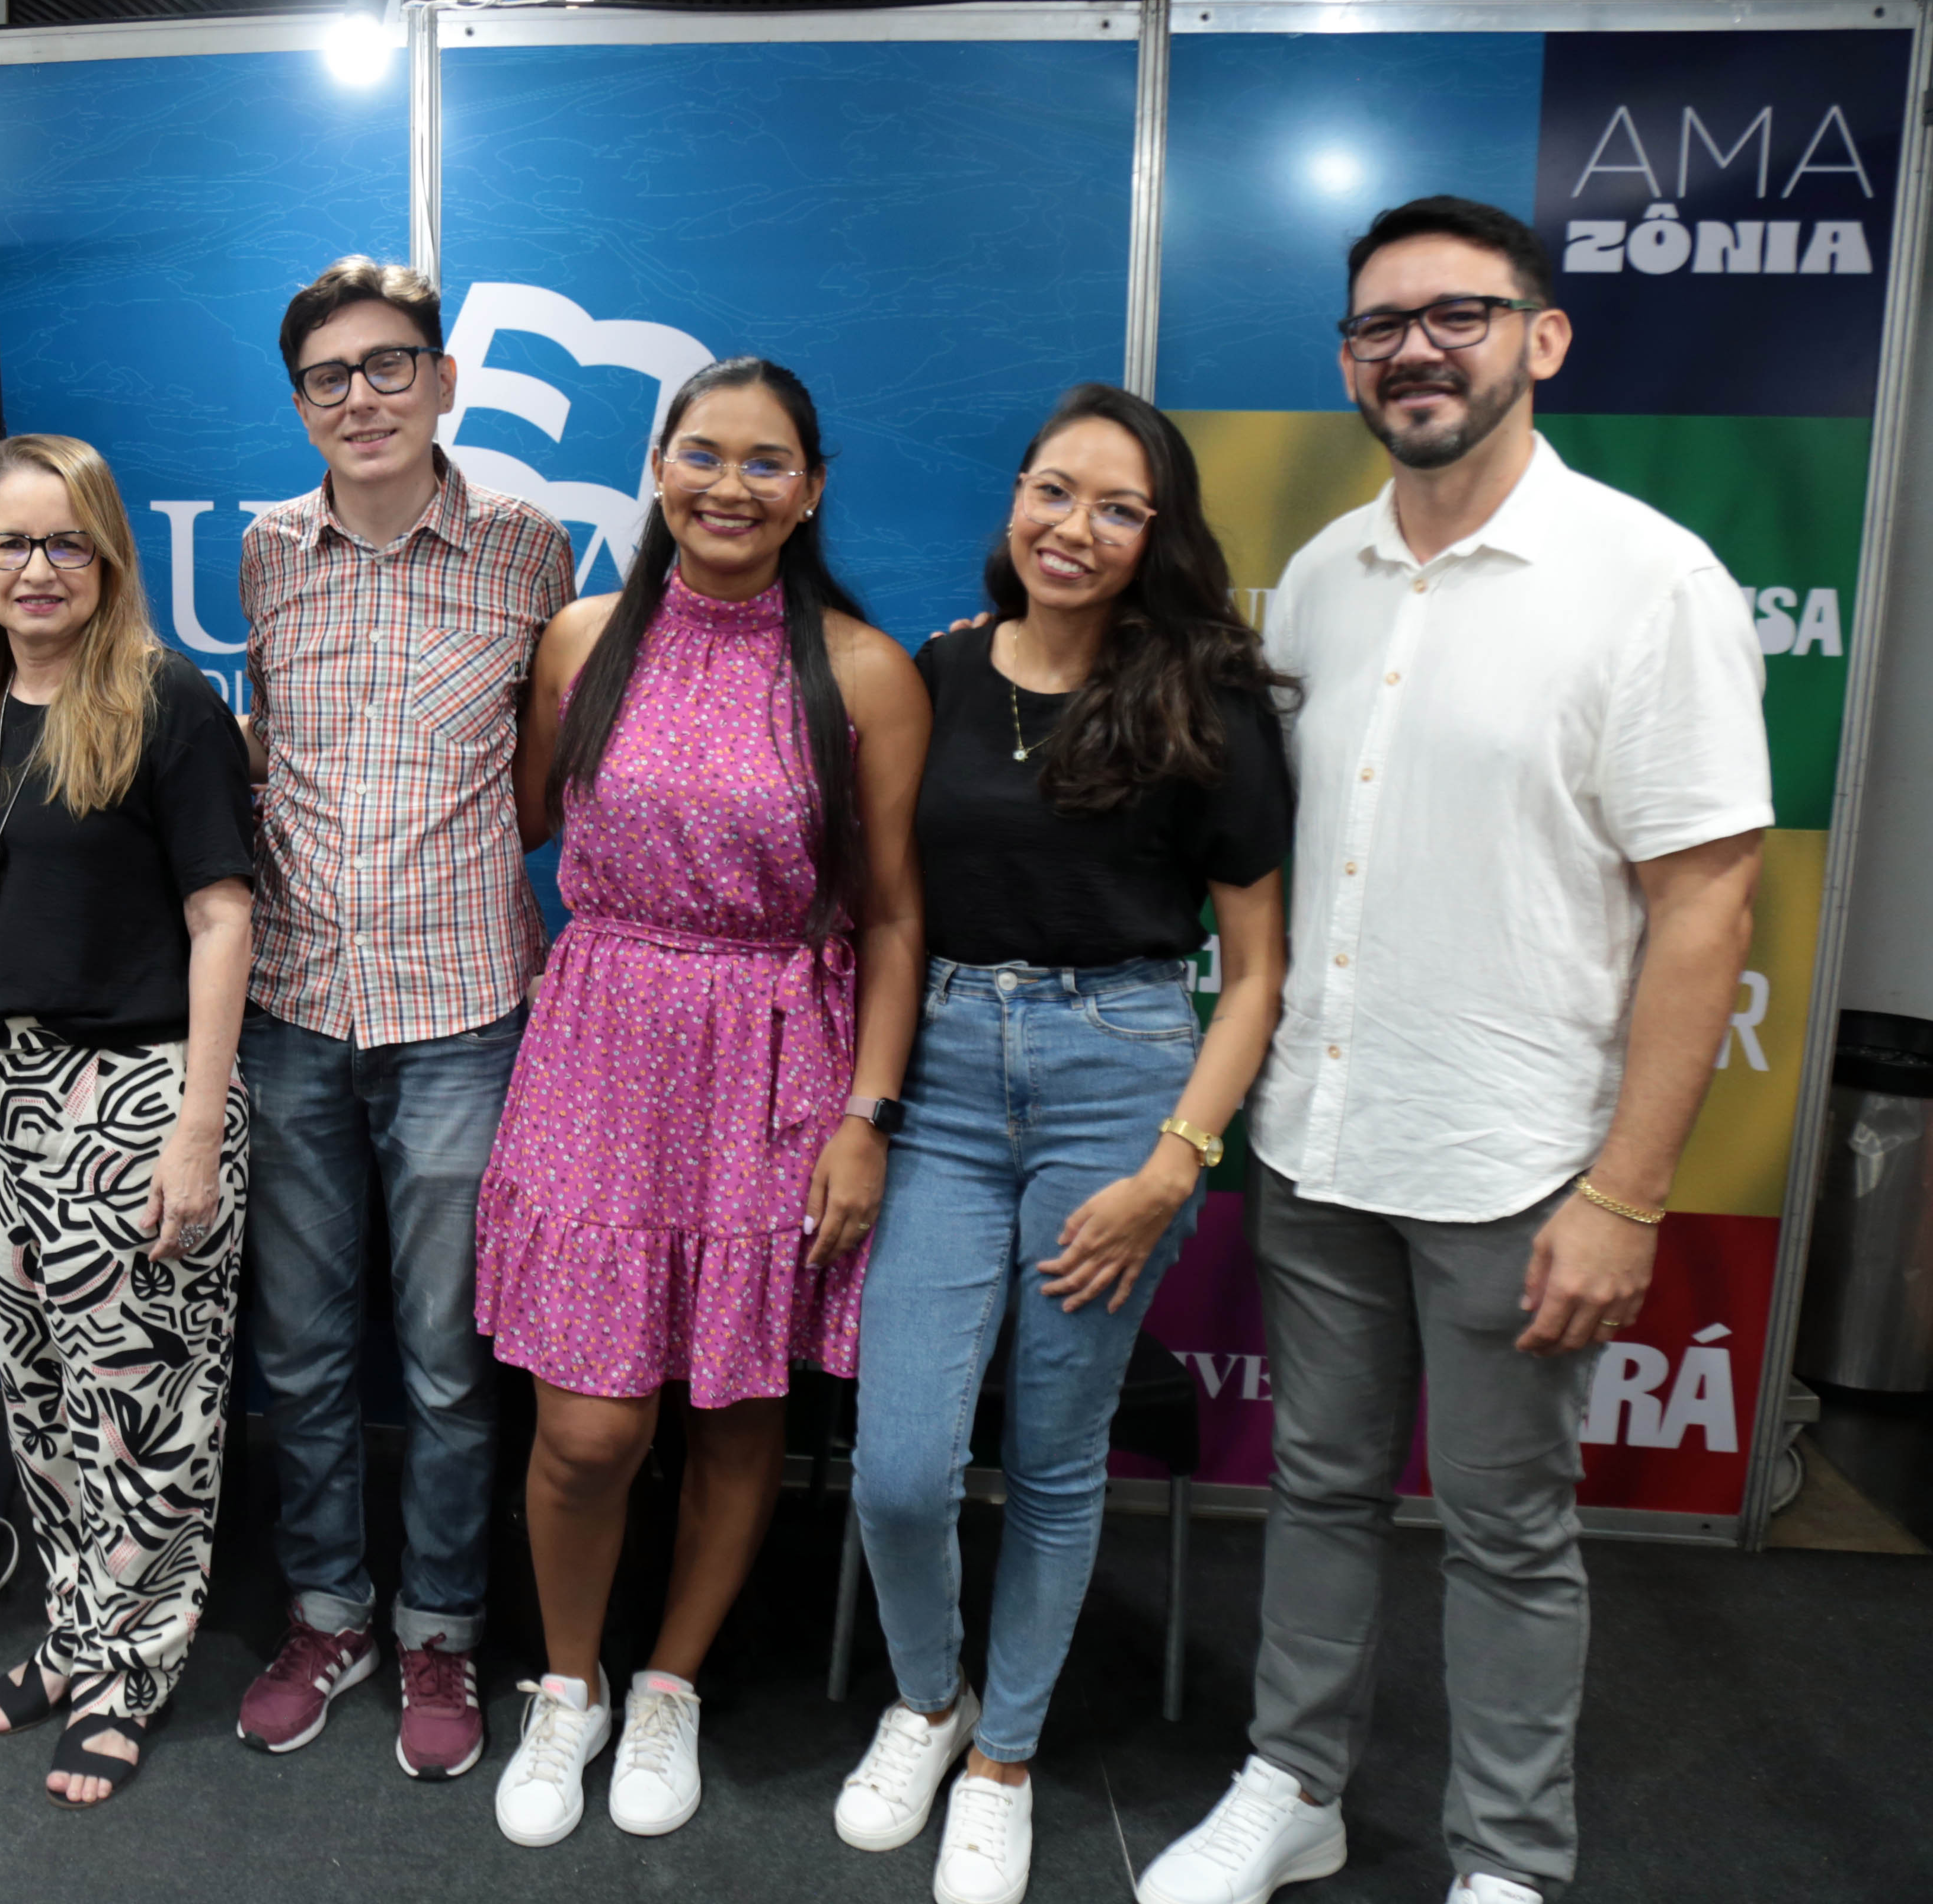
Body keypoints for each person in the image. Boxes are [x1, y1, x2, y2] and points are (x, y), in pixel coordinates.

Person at [1135, 196, 1768, 1904]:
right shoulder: (1328, 576)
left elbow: (1708, 906)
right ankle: (1297, 1787)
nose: (1414, 349)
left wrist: (1628, 1195)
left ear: (1541, 339)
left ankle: (1507, 1864)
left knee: (1509, 1535)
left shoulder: (1650, 582)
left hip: (1521, 1162)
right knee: (1321, 1491)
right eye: (1378, 326)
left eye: (1458, 315)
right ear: (1348, 360)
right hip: (1324, 1137)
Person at [833, 385, 1292, 1904]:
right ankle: (928, 1697)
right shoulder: (941, 676)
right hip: (951, 1079)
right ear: (1013, 502)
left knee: (1054, 1450)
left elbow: (1260, 972)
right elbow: (885, 914)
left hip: (1122, 1083)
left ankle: (1006, 1756)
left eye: (1114, 506)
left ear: (1158, 536)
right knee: (900, 1468)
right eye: (1051, 491)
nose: (1073, 529)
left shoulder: (1206, 702)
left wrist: (1179, 1162)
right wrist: (877, 1108)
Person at [479, 357, 928, 1848]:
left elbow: (892, 917)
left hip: (777, 1063)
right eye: (703, 453)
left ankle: (667, 1681)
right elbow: (532, 820)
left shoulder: (864, 672)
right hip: (602, 1047)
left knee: (737, 1412)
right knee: (590, 1433)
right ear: (658, 466)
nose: (730, 486)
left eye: (767, 462)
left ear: (810, 490)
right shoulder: (583, 638)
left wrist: (866, 1111)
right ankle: (567, 1684)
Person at [233, 255, 574, 1782]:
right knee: (303, 1358)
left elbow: (548, 776)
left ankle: (440, 1632)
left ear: (444, 381)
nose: (360, 399)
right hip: (294, 1010)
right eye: (328, 378)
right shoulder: (265, 556)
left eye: (389, 368)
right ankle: (328, 1613)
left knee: (445, 1363)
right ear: (299, 403)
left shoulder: (526, 551)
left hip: (463, 1015)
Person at [0, 435, 255, 1808]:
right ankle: (74, 1638)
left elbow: (222, 915)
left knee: (149, 1413)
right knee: (47, 1402)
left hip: (134, 1092)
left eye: (65, 541)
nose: (36, 568)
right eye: (10, 543)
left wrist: (195, 1129)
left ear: (110, 556)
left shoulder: (166, 704)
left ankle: (134, 1671)